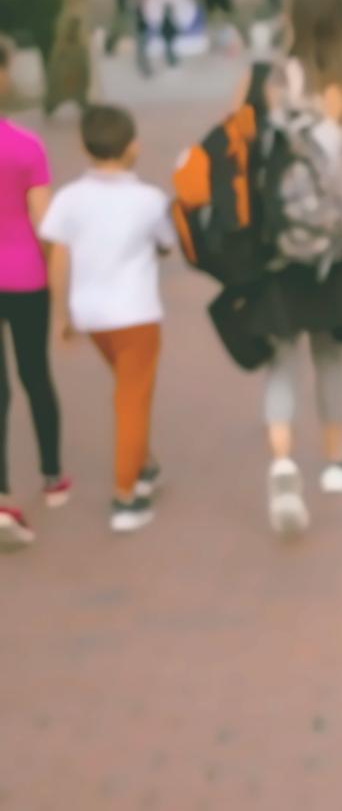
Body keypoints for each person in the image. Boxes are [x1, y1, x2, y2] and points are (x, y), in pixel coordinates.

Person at [236, 0, 342, 535]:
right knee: (328, 354)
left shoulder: (265, 78)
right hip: (328, 246)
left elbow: (238, 146)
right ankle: (337, 460)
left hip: (274, 241)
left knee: (281, 356)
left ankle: (281, 459)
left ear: (292, 16)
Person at [39, 105, 170, 533]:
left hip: (92, 315)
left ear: (83, 146)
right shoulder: (149, 200)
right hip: (136, 314)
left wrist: (61, 314)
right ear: (133, 146)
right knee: (132, 398)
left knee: (128, 388)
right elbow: (168, 241)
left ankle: (144, 463)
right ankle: (124, 497)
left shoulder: (69, 199)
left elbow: (59, 256)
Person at [0, 44, 71, 552]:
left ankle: (2, 493)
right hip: (25, 276)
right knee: (35, 374)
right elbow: (46, 224)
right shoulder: (26, 148)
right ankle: (52, 474)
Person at [44, 0, 93, 119]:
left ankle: (77, 97)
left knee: (76, 70)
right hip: (71, 36)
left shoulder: (75, 3)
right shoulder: (71, 4)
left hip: (74, 38)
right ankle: (57, 100)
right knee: (65, 70)